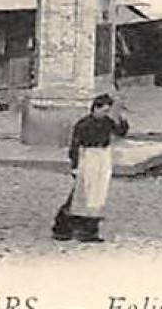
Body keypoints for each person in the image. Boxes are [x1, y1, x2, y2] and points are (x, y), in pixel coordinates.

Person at [53, 94, 129, 243]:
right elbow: (75, 146)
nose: (105, 114)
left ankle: (89, 230)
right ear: (95, 108)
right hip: (88, 156)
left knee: (97, 193)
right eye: (104, 110)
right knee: (82, 193)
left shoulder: (107, 122)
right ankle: (63, 227)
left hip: (103, 156)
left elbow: (120, 132)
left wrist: (121, 117)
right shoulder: (83, 124)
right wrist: (75, 165)